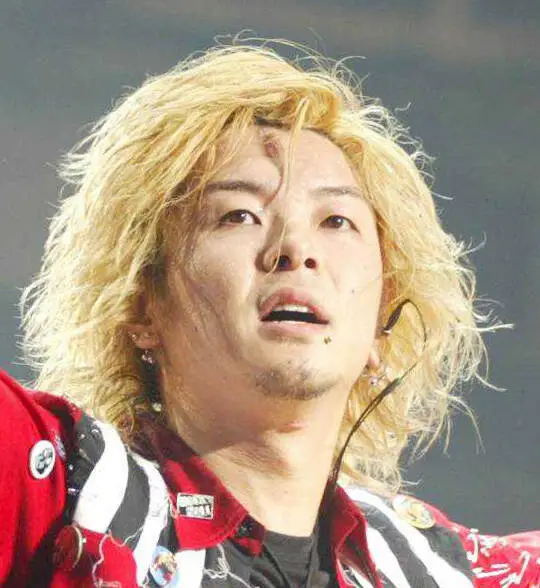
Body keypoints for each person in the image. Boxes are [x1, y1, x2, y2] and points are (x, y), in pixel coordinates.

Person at [0, 40, 538, 588]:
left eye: (336, 220)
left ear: (383, 317)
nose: (295, 248)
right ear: (142, 303)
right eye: (239, 215)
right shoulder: (54, 495)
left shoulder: (464, 573)